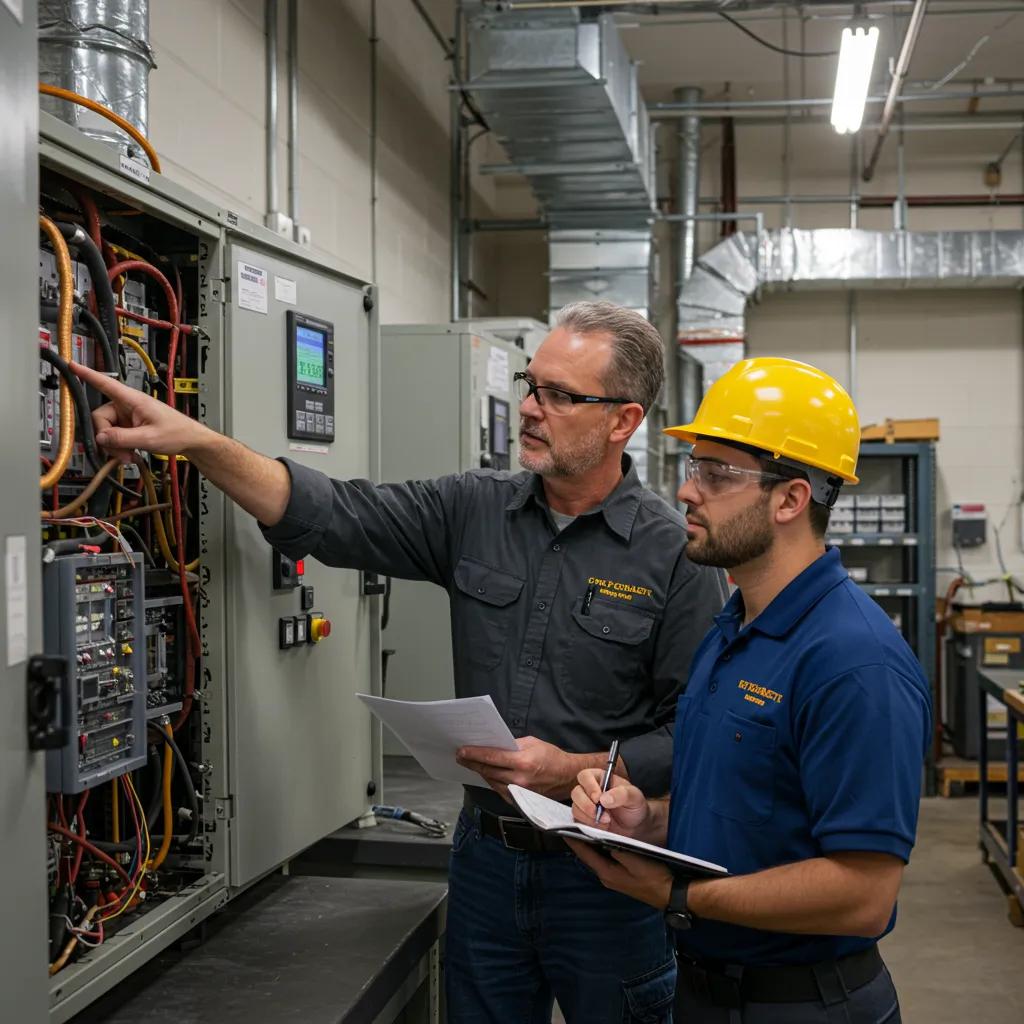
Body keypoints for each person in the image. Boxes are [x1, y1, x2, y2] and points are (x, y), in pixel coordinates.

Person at [73, 300, 726, 1023]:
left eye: (561, 396)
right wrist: (195, 441)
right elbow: (328, 512)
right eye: (530, 385)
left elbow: (692, 735)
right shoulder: (473, 509)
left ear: (623, 421)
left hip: (608, 876)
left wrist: (567, 767)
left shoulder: (676, 555)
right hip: (486, 862)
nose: (533, 410)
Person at [568, 357, 931, 1024]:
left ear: (790, 499)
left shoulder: (855, 661)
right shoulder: (733, 629)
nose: (686, 492)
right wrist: (643, 820)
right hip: (707, 991)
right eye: (692, 469)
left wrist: (677, 894)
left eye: (715, 474)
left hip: (805, 1004)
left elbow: (863, 895)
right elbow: (741, 811)